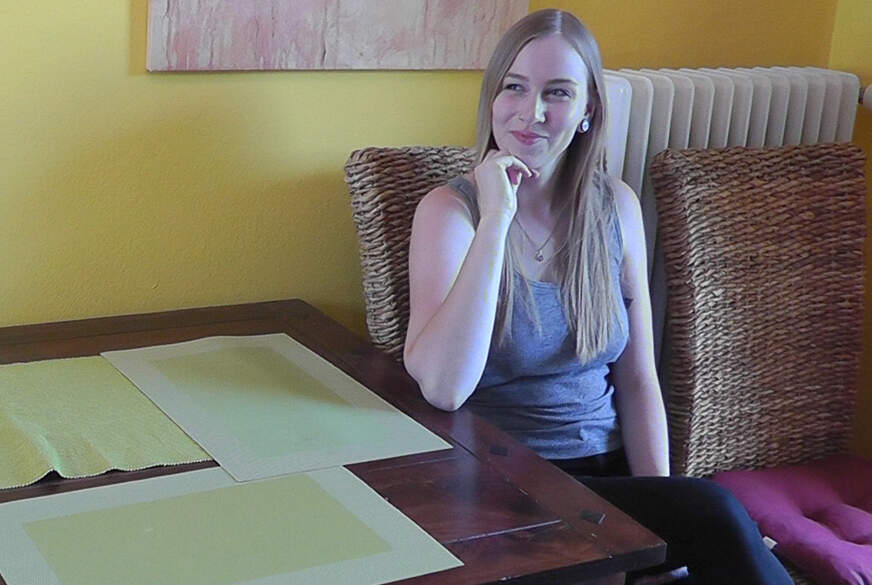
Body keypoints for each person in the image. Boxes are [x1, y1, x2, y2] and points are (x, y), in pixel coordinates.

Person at [402, 9, 793, 585]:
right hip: (501, 483)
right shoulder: (450, 213)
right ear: (492, 98)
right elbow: (444, 386)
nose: (531, 112)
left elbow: (638, 381)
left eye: (557, 93)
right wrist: (496, 219)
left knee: (710, 519)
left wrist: (659, 532)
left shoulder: (616, 207)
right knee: (717, 515)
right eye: (515, 87)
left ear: (588, 110)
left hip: (609, 479)